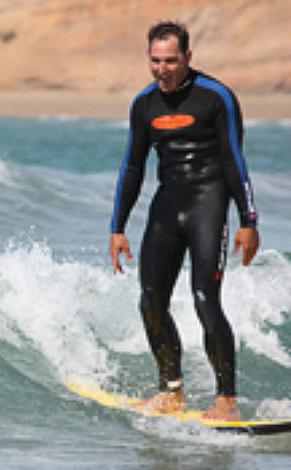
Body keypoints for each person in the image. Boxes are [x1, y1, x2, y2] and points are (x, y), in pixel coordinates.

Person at [109, 21, 259, 421]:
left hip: (208, 202)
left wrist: (248, 220)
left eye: (171, 61)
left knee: (205, 299)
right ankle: (171, 392)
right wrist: (117, 228)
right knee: (151, 300)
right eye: (155, 61)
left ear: (187, 57)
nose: (162, 69)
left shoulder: (216, 97)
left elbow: (234, 159)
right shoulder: (144, 104)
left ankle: (226, 400)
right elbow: (133, 167)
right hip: (167, 204)